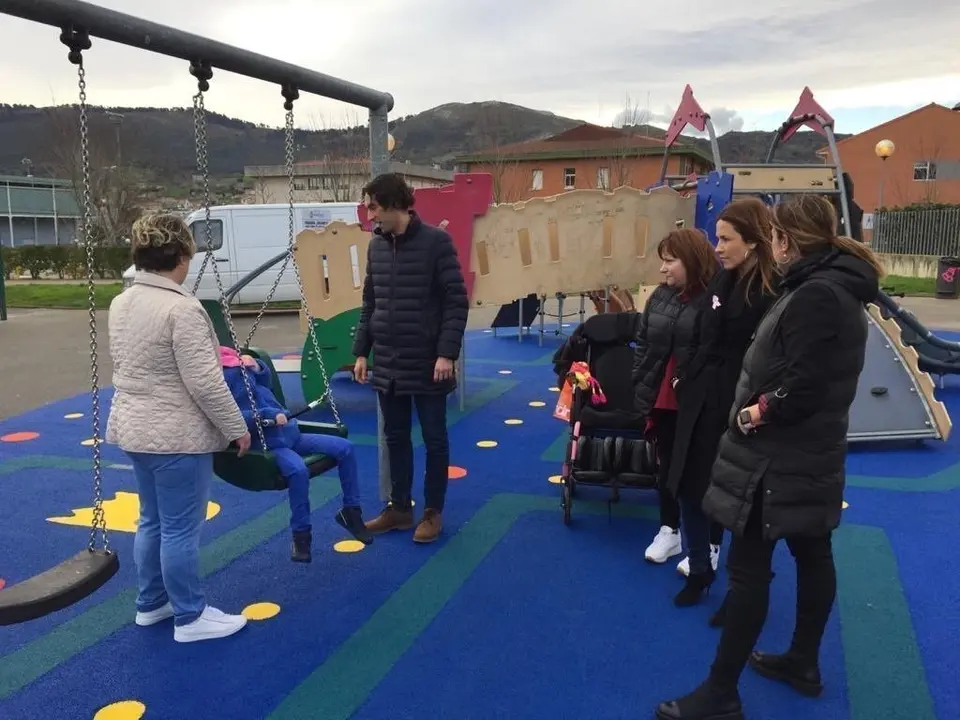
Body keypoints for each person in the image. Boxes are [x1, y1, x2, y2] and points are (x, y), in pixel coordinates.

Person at [655, 195, 883, 720]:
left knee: (748, 569)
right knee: (810, 550)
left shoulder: (817, 295)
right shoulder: (826, 287)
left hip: (778, 459)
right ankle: (801, 661)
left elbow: (801, 385)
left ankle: (720, 692)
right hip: (809, 453)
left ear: (784, 239)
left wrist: (754, 414)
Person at [106, 213, 252, 644]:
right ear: (181, 255)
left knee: (151, 521)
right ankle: (190, 616)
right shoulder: (181, 309)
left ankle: (151, 603)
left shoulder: (122, 302)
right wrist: (236, 427)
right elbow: (205, 382)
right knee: (179, 529)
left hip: (135, 430)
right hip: (176, 436)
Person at [668, 198, 780, 612]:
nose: (718, 246)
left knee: (738, 501)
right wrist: (685, 376)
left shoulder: (771, 292)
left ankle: (739, 590)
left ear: (752, 242)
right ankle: (700, 569)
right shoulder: (721, 281)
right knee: (687, 488)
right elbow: (699, 334)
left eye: (726, 239)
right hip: (700, 400)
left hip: (740, 407)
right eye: (717, 238)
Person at [352, 173, 469, 543]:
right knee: (395, 437)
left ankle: (433, 512)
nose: (369, 215)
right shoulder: (377, 247)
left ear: (394, 204)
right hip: (388, 361)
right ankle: (400, 508)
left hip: (428, 361)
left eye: (373, 206)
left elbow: (456, 300)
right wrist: (361, 352)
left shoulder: (437, 242)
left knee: (434, 439)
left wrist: (446, 353)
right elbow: (370, 302)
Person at [219, 346, 371, 563]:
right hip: (269, 445)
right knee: (298, 469)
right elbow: (230, 417)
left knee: (345, 448)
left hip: (292, 434)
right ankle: (301, 535)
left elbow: (266, 384)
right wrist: (268, 415)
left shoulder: (241, 366)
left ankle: (351, 512)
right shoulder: (221, 381)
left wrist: (258, 366)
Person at [631, 229, 718, 569]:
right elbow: (643, 342)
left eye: (670, 261)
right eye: (662, 261)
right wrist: (640, 379)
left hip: (695, 400)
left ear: (692, 261)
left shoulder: (713, 299)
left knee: (701, 471)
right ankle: (670, 529)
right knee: (666, 465)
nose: (663, 269)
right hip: (660, 395)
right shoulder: (660, 297)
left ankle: (711, 543)